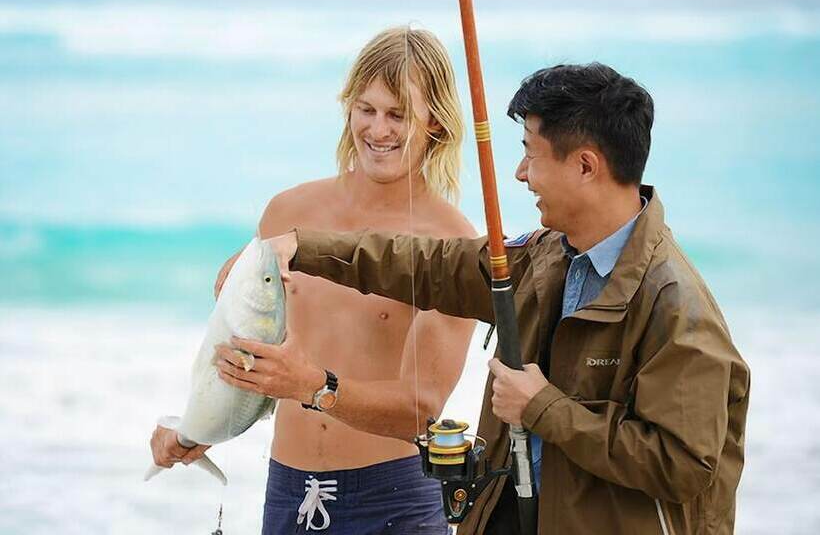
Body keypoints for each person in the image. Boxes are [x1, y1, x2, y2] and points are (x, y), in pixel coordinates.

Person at [259, 63, 751, 534]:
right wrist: (302, 247)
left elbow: (684, 465)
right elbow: (426, 265)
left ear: (585, 166)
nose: (520, 173)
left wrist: (544, 408)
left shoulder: (677, 307)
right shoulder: (545, 256)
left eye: (531, 154)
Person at [149, 27, 477, 535]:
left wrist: (311, 386)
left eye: (398, 115)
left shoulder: (450, 242)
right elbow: (247, 358)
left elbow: (420, 410)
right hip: (288, 493)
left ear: (434, 120)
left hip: (395, 501)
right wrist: (197, 428)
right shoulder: (288, 213)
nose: (378, 129)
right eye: (366, 109)